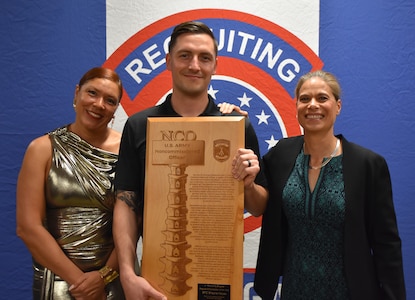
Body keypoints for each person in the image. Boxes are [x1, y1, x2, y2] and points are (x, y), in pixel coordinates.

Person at [113, 21, 265, 300]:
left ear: (215, 65)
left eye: (204, 57)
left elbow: (258, 207)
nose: (194, 65)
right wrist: (126, 272)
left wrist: (248, 184)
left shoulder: (236, 127)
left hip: (218, 278)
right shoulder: (139, 125)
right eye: (185, 55)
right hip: (158, 278)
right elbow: (126, 202)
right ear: (168, 61)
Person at [232, 70, 406, 299]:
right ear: (296, 107)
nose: (312, 105)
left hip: (350, 293)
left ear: (338, 106)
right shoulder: (280, 157)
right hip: (295, 291)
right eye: (305, 99)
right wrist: (238, 126)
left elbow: (387, 244)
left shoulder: (368, 165)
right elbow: (257, 201)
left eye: (322, 98)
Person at [16, 67, 126, 299]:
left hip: (113, 284)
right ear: (77, 93)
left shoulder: (128, 151)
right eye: (92, 93)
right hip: (58, 284)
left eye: (109, 100)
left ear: (115, 109)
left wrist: (103, 277)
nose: (98, 104)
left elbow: (134, 222)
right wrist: (81, 283)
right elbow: (28, 227)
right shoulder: (42, 149)